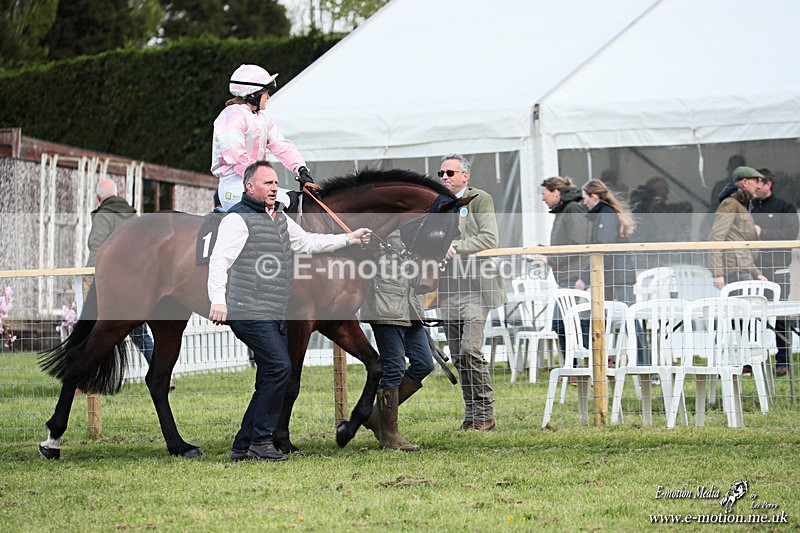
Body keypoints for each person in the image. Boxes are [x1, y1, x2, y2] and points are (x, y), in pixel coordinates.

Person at [208, 160, 372, 462]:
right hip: (248, 309)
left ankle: (242, 446)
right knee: (281, 367)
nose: (274, 188)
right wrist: (218, 299)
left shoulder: (280, 219)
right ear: (249, 187)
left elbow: (308, 242)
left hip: (273, 311)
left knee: (270, 375)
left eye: (275, 183)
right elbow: (220, 261)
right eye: (268, 183)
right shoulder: (237, 219)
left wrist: (349, 238)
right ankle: (260, 443)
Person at [437, 154, 505, 432]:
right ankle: (471, 414)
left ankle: (485, 412)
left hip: (476, 286)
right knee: (457, 355)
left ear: (466, 176)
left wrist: (455, 246)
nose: (444, 178)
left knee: (470, 349)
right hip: (447, 287)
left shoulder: (480, 199)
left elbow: (490, 238)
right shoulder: (437, 202)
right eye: (441, 173)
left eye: (450, 173)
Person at [85, 179, 168, 387]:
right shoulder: (132, 215)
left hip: (116, 282)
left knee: (100, 333)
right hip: (141, 278)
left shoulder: (103, 215)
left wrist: (89, 276)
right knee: (141, 333)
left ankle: (85, 381)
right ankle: (163, 374)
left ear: (98, 198)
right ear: (118, 193)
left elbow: (97, 245)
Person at [360, 231, 434, 451]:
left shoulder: (414, 224)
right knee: (394, 367)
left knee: (424, 363)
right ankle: (389, 436)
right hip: (385, 305)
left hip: (411, 304)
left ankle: (375, 416)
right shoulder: (378, 220)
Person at [211, 64, 313, 212]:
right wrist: (262, 178)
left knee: (296, 201)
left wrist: (301, 169)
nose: (268, 96)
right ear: (253, 94)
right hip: (235, 185)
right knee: (280, 205)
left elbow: (281, 146)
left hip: (256, 182)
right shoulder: (231, 116)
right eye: (266, 92)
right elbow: (237, 157)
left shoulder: (262, 118)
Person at [751, 168, 799, 377]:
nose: (755, 188)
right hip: (754, 270)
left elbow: (790, 233)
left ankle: (783, 360)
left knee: (781, 316)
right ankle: (751, 360)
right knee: (751, 315)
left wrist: (764, 233)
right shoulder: (748, 207)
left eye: (758, 183)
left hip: (777, 269)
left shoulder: (784, 207)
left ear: (768, 184)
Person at [540, 176, 590, 355]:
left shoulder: (572, 209)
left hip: (574, 275)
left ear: (555, 192)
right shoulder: (564, 210)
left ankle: (583, 364)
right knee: (564, 323)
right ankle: (574, 367)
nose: (542, 198)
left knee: (563, 322)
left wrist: (550, 258)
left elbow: (577, 244)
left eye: (544, 194)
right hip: (565, 274)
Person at [707, 166, 768, 289]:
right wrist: (717, 273)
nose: (758, 186)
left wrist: (756, 273)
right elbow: (716, 237)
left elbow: (740, 243)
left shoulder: (741, 205)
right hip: (736, 272)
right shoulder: (730, 204)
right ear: (745, 182)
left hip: (743, 270)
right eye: (756, 181)